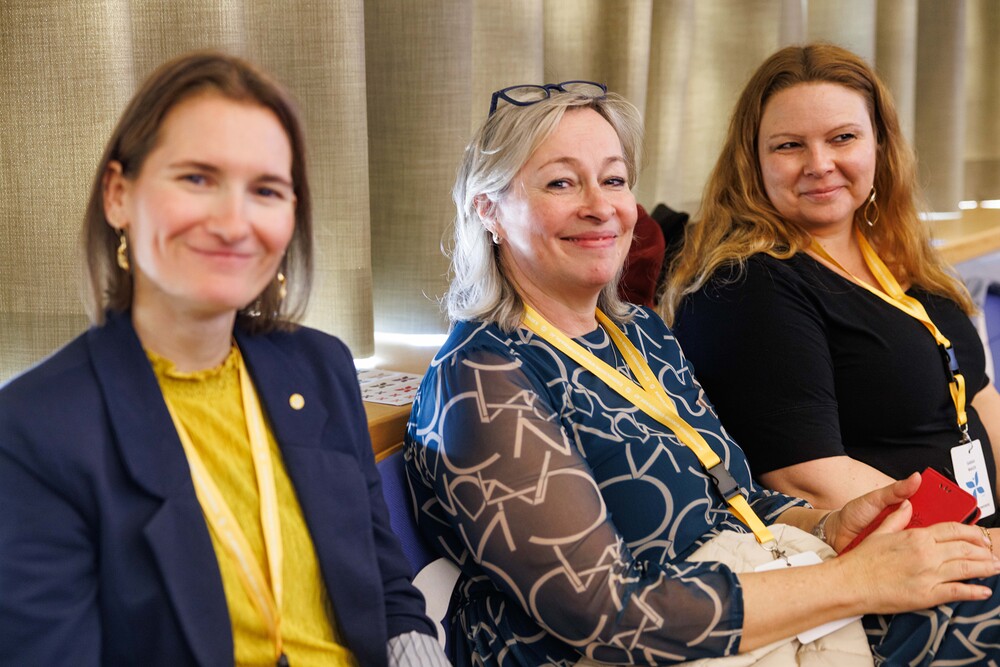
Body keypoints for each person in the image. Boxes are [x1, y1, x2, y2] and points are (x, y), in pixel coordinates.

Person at [404, 81, 1000, 665]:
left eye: (614, 180)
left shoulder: (636, 331)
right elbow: (610, 617)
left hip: (760, 590)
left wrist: (830, 526)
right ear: (488, 211)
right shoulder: (483, 377)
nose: (600, 206)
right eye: (561, 182)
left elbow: (737, 500)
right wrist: (856, 580)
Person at [0, 51, 449, 667]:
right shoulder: (35, 427)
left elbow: (386, 589)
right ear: (118, 196)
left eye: (266, 190)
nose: (235, 223)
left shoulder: (319, 366)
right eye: (196, 178)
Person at [664, 43, 1000, 534]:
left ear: (879, 143)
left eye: (843, 137)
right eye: (789, 145)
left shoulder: (898, 253)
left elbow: (980, 399)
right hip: (907, 554)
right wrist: (980, 546)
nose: (819, 164)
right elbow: (811, 479)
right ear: (752, 160)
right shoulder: (745, 286)